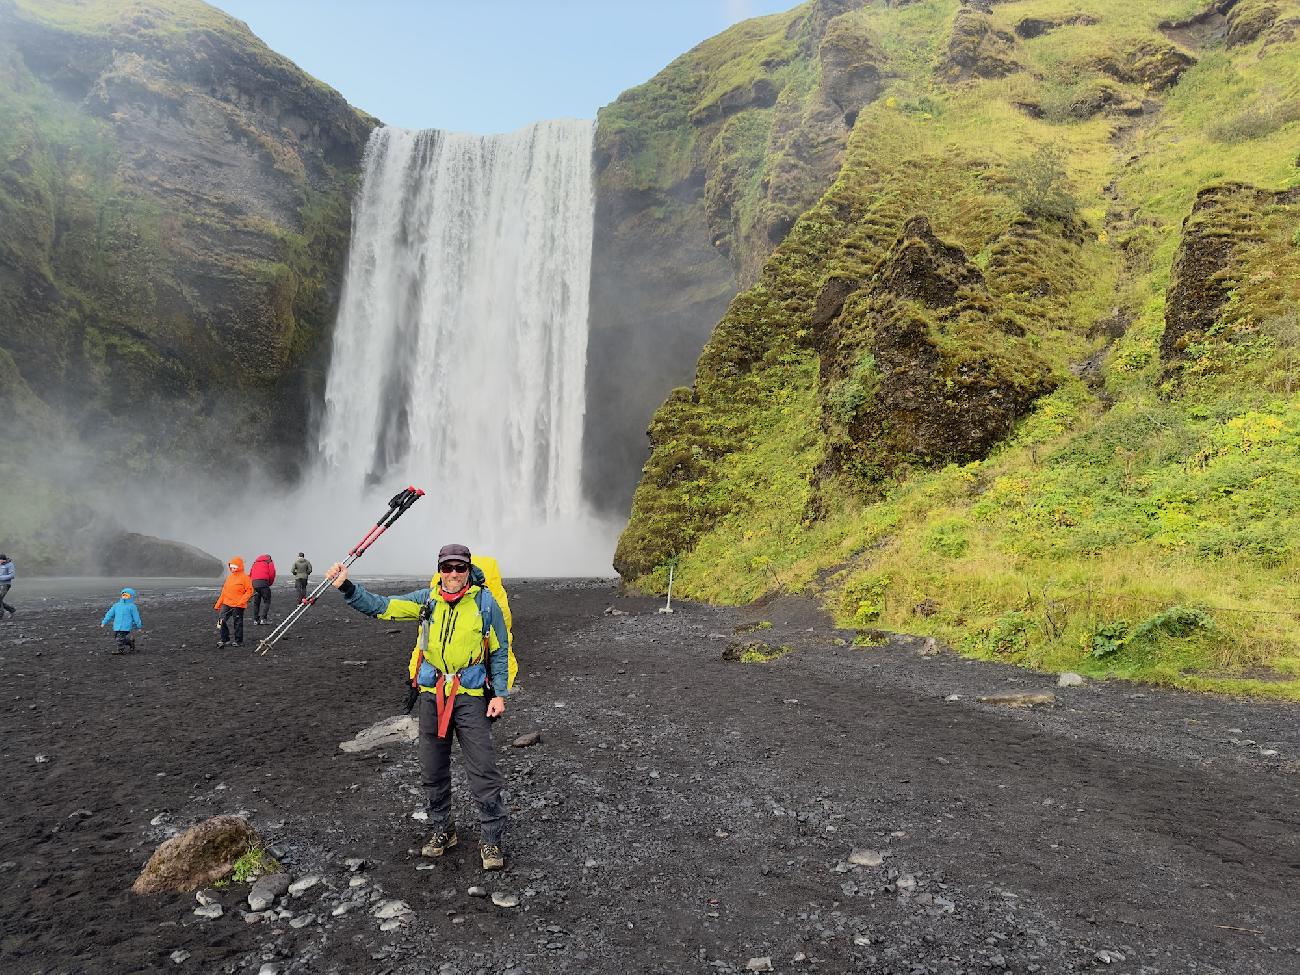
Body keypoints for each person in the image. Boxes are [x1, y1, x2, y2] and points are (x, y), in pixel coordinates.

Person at [327, 542, 511, 871]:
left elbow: (498, 650)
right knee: (432, 767)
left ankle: (492, 838)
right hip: (432, 695)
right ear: (439, 570)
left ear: (468, 570)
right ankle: (443, 830)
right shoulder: (426, 600)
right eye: (447, 568)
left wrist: (499, 694)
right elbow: (382, 607)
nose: (453, 574)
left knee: (483, 769)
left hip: (470, 697)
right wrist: (347, 586)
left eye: (459, 568)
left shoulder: (486, 604)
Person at [214, 557, 253, 647]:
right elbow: (224, 592)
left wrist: (241, 602)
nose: (232, 569)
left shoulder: (245, 578)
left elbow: (249, 591)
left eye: (234, 567)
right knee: (221, 620)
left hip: (238, 605)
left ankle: (238, 641)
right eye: (231, 567)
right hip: (226, 603)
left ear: (239, 566)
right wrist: (218, 604)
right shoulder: (230, 578)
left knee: (238, 622)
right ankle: (225, 639)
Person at [101, 587, 143, 654]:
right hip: (117, 625)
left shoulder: (132, 606)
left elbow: (136, 617)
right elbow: (110, 614)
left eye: (127, 595)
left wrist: (138, 626)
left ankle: (120, 650)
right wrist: (104, 621)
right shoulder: (116, 605)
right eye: (123, 594)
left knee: (119, 638)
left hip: (126, 626)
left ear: (131, 596)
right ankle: (130, 642)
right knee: (118, 637)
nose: (124, 596)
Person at [249, 553, 276, 625]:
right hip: (263, 583)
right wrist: (269, 583)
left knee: (256, 603)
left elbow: (251, 574)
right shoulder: (269, 562)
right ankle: (263, 619)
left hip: (254, 583)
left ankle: (255, 620)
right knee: (267, 601)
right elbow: (272, 573)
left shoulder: (255, 563)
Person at [0, 554, 14, 619]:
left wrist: (1, 577)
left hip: (5, 584)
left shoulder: (10, 565)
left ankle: (0, 614)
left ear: (3, 560)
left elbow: (12, 576)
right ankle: (11, 609)